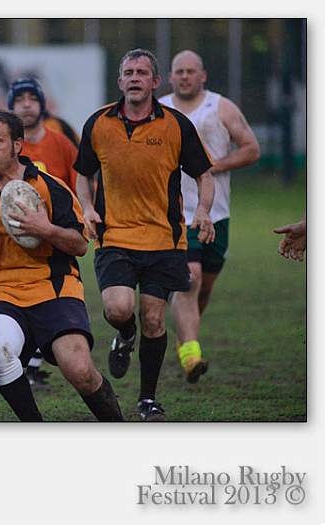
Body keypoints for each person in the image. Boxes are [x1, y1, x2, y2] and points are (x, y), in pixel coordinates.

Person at [0, 111, 124, 422]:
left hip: (54, 289)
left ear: (17, 145)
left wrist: (46, 229)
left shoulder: (49, 188)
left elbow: (80, 244)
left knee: (80, 370)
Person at [74, 49, 215, 421]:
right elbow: (82, 174)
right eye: (129, 73)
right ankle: (125, 334)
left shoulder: (176, 125)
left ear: (155, 82)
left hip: (164, 240)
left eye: (142, 72)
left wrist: (203, 210)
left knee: (154, 319)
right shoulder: (98, 123)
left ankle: (147, 400)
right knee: (118, 309)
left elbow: (204, 175)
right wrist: (87, 207)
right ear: (120, 81)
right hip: (115, 236)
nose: (134, 78)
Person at [0, 77, 80, 387]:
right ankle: (29, 360)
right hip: (2, 258)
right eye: (19, 100)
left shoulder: (60, 139)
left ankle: (36, 356)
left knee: (73, 358)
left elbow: (79, 177)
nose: (27, 105)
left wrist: (85, 209)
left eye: (33, 98)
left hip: (50, 242)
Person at [159, 50, 261, 382]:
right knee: (191, 277)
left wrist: (213, 165)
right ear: (170, 77)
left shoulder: (221, 107)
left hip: (217, 212)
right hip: (176, 215)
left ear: (202, 75)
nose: (185, 76)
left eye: (191, 71)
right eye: (179, 71)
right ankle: (191, 355)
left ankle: (186, 336)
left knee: (204, 286)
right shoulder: (159, 110)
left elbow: (251, 149)